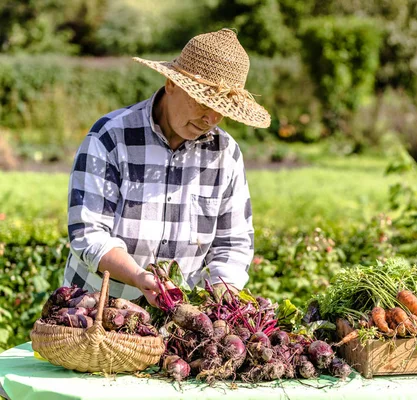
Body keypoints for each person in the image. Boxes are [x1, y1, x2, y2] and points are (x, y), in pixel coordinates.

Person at [63, 28, 270, 306]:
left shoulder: (225, 153)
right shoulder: (111, 136)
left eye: (221, 109)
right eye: (203, 102)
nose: (210, 118)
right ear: (171, 84)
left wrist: (223, 297)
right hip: (96, 312)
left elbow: (232, 245)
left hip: (177, 321)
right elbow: (88, 234)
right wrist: (138, 276)